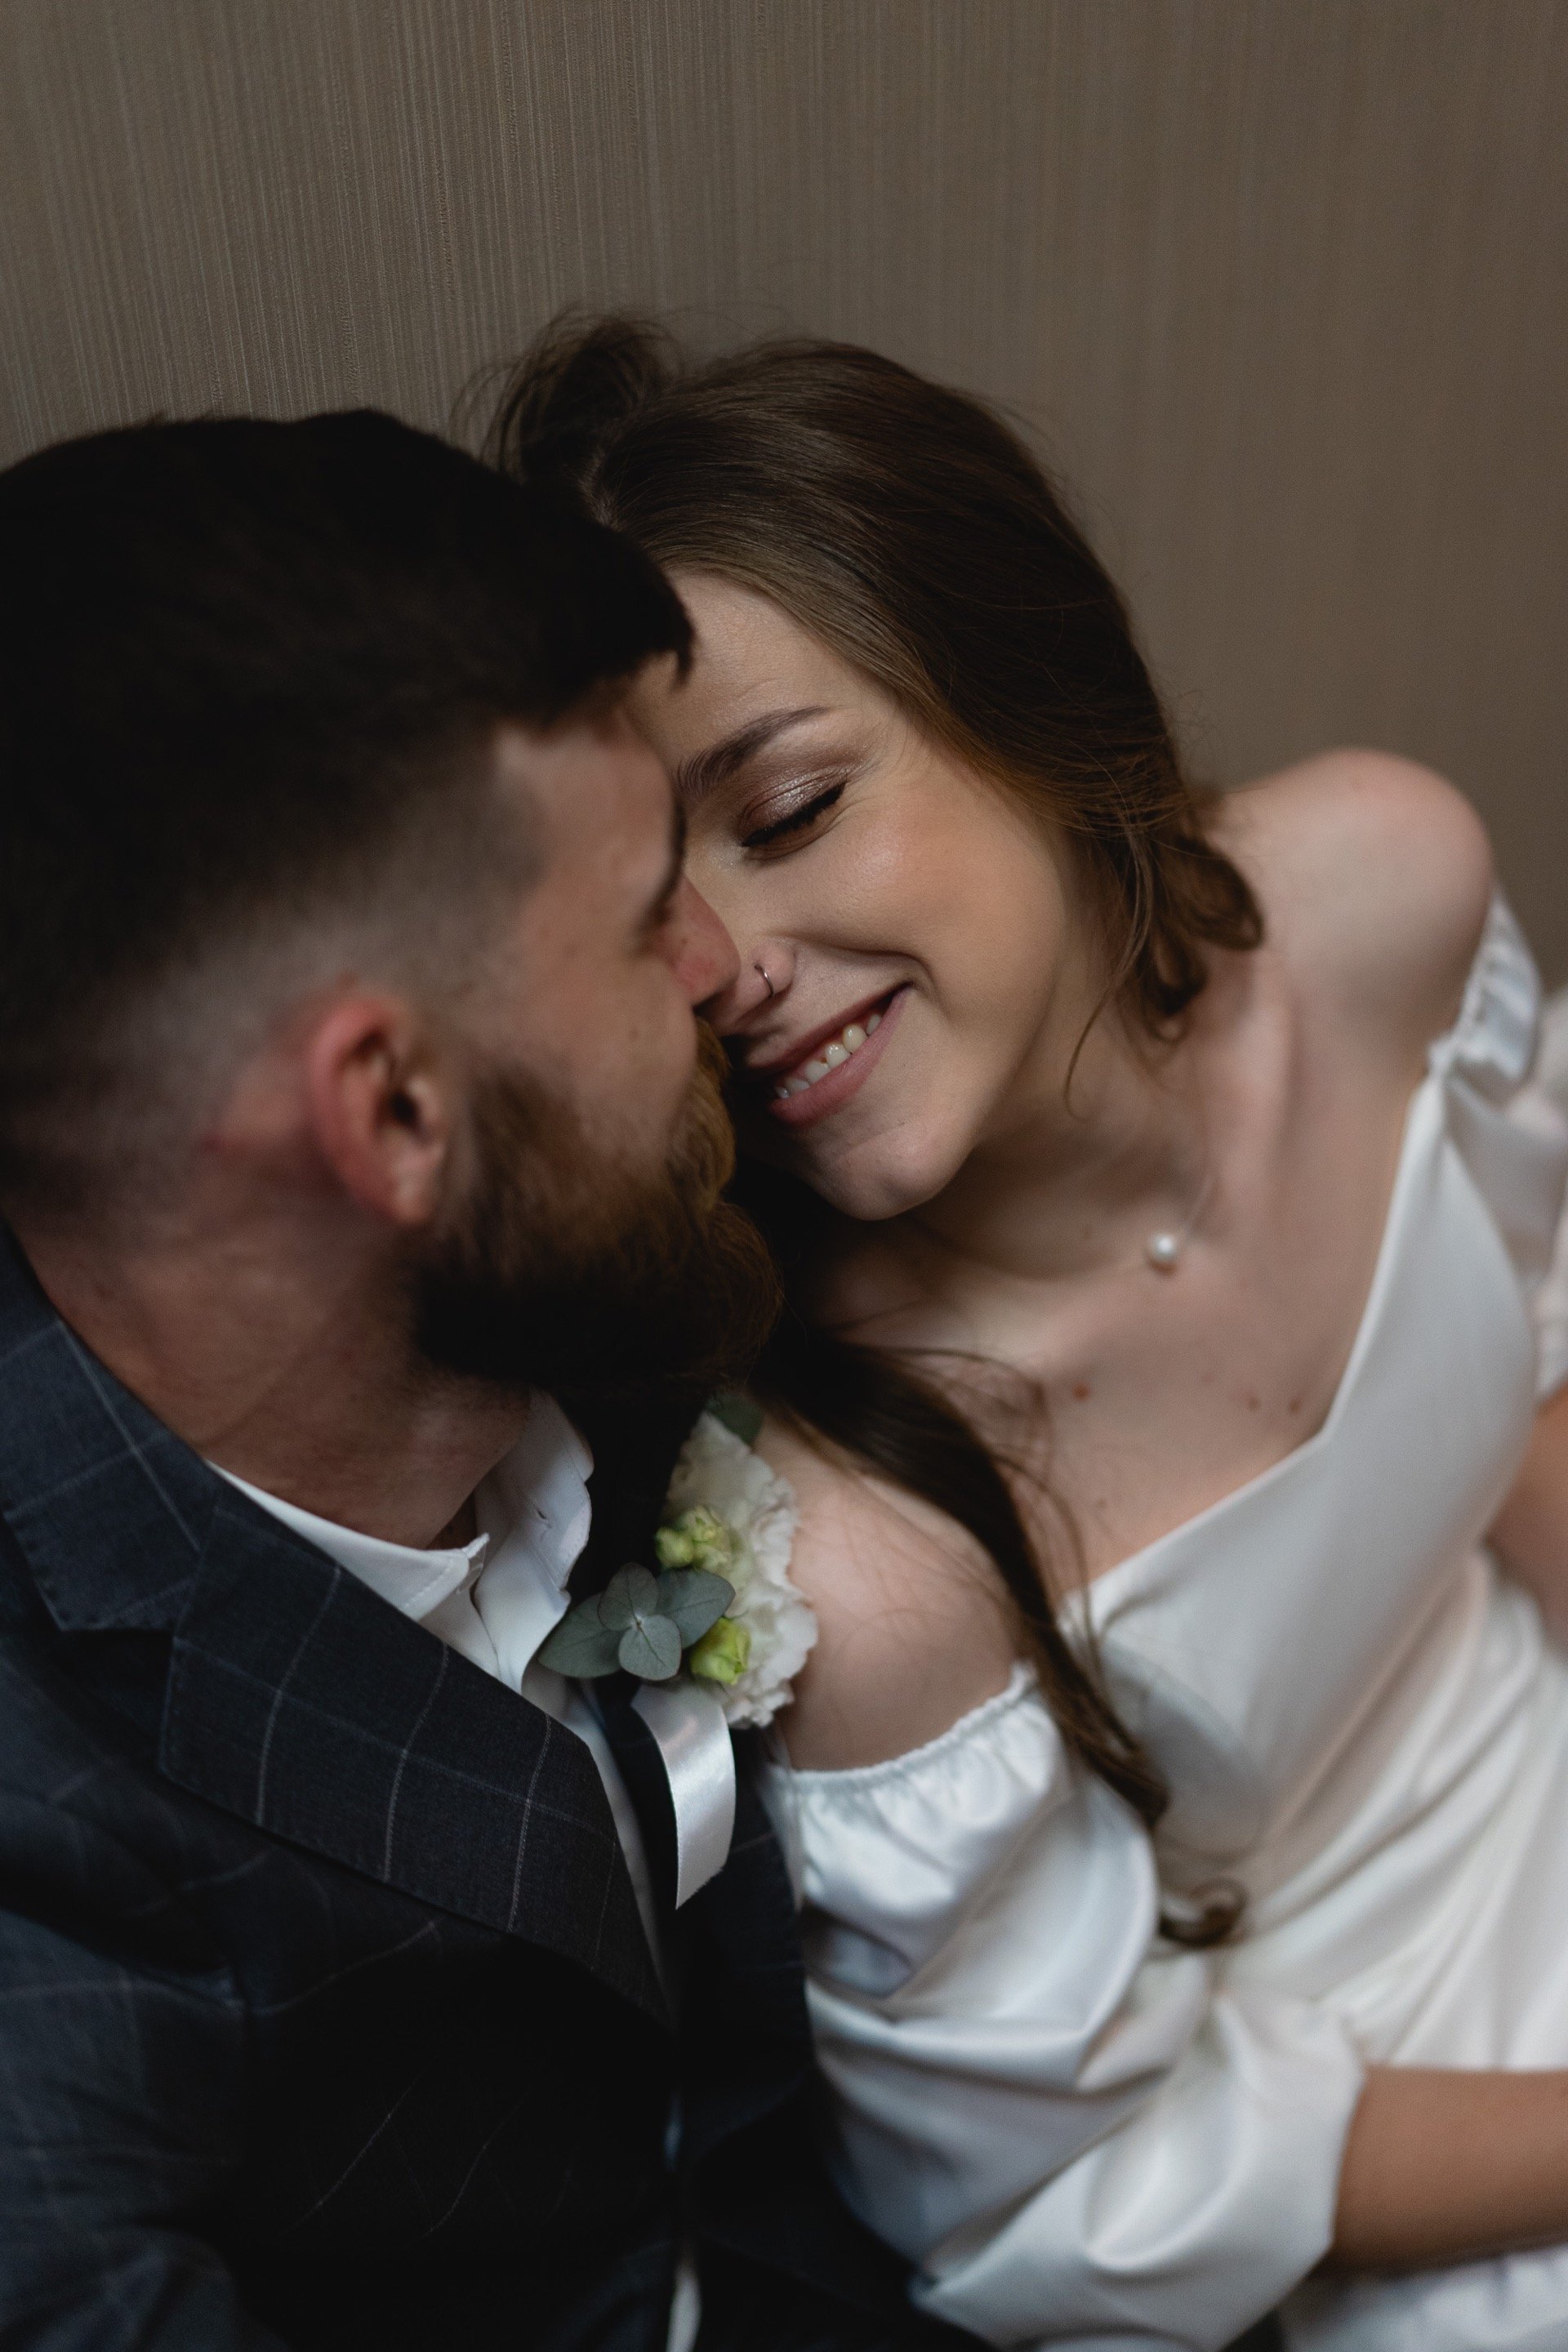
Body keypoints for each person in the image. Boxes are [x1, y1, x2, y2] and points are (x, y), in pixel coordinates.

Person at [488, 318, 1568, 2352]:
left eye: (790, 808)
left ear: (1026, 690)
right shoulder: (867, 1546)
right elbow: (1106, 2190)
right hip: (1381, 2181)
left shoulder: (1377, 899)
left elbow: (1528, 1379)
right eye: (645, 909)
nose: (722, 969)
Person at [0, 412, 979, 2351]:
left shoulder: (555, 1275)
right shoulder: (45, 1848)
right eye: (638, 923)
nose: (723, 964)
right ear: (388, 1109)